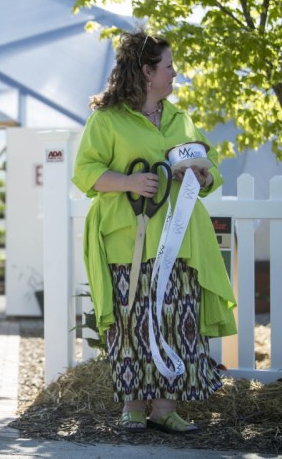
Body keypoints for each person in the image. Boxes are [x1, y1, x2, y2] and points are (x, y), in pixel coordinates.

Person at [72, 30, 236, 434]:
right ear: (147, 71)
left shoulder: (181, 118)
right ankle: (132, 407)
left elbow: (209, 173)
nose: (175, 73)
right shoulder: (106, 119)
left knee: (176, 320)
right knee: (131, 322)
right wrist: (129, 183)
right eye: (168, 67)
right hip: (128, 241)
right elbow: (85, 173)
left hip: (181, 243)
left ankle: (165, 408)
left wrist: (202, 173)